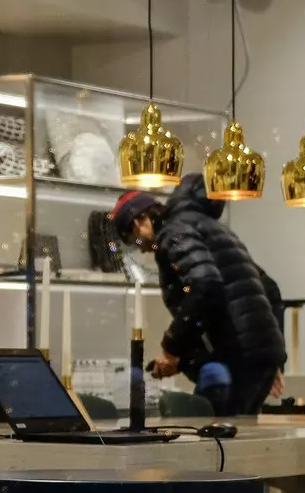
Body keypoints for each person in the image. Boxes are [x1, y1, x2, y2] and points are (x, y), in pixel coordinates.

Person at [112, 173, 287, 417]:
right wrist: (269, 352)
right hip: (256, 355)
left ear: (136, 223)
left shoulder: (174, 234)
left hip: (239, 356)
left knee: (222, 445)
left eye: (132, 240)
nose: (141, 248)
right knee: (240, 439)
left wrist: (171, 349)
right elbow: (268, 288)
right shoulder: (211, 228)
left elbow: (205, 286)